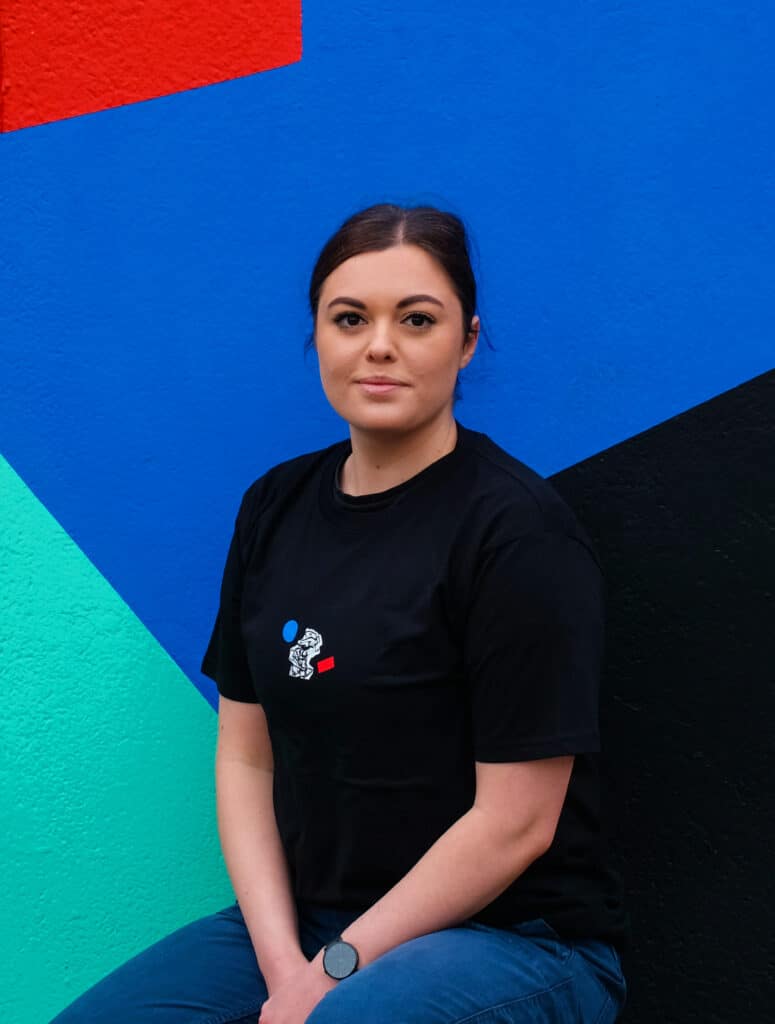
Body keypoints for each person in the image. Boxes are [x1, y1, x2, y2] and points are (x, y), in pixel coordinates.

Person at [50, 203, 628, 1024]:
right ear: (317, 337)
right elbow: (246, 758)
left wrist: (332, 976)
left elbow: (516, 823)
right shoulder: (275, 505)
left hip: (511, 939)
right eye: (349, 318)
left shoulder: (516, 534)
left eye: (416, 320)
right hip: (308, 923)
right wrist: (284, 963)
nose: (378, 346)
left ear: (466, 341)